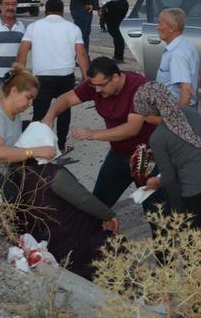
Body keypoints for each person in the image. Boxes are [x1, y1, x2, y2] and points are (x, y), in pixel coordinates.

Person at [9, 122, 119, 281]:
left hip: (50, 244)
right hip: (77, 237)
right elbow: (83, 199)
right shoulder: (52, 174)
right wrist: (109, 215)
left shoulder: (16, 174)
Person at [45, 57, 156, 213]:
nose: (96, 90)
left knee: (155, 210)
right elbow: (67, 99)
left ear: (116, 78)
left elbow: (132, 128)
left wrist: (92, 134)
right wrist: (49, 117)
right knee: (97, 205)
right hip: (118, 154)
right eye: (93, 85)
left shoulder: (139, 87)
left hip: (146, 155)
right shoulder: (96, 84)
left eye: (101, 86)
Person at [132, 82, 201, 241]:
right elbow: (192, 153)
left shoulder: (158, 138)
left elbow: (170, 179)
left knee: (197, 253)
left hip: (200, 193)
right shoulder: (191, 113)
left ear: (148, 113)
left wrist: (157, 183)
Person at [17, 0, 89, 151]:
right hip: (66, 77)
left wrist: (20, 75)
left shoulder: (34, 27)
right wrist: (85, 77)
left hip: (41, 78)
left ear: (45, 11)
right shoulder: (73, 28)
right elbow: (81, 54)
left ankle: (39, 146)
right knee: (64, 111)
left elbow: (23, 50)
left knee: (40, 113)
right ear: (62, 12)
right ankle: (61, 145)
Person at [155, 8, 199, 108]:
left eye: (160, 24)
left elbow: (186, 90)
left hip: (173, 109)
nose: (157, 28)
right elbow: (196, 78)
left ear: (171, 27)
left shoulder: (176, 54)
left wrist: (178, 118)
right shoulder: (186, 45)